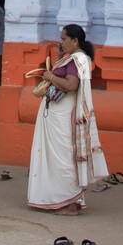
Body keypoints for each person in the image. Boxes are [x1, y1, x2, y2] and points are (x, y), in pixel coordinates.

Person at [27, 23, 108, 214]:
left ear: (75, 40)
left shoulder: (78, 59)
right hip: (55, 115)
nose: (61, 42)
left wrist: (50, 76)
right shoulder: (70, 58)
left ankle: (70, 202)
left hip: (64, 117)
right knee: (56, 158)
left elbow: (71, 85)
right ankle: (59, 198)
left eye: (64, 39)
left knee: (63, 158)